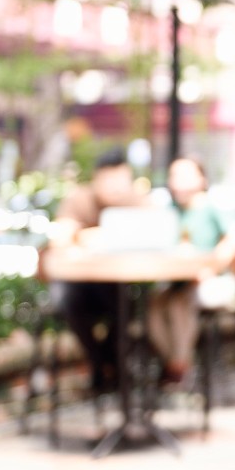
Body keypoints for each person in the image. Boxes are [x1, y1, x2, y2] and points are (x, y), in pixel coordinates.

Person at [45, 147, 147, 392]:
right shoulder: (80, 198)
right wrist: (85, 236)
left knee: (129, 305)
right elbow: (59, 237)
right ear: (97, 178)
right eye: (109, 179)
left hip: (120, 284)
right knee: (64, 298)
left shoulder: (139, 201)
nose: (115, 187)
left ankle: (108, 366)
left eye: (120, 179)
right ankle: (102, 362)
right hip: (81, 284)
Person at [147, 156, 235, 386]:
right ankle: (174, 364)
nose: (178, 182)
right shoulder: (171, 211)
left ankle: (178, 367)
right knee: (155, 306)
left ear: (201, 179)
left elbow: (232, 242)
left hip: (212, 281)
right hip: (181, 279)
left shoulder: (211, 207)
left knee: (179, 305)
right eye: (174, 176)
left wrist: (212, 267)